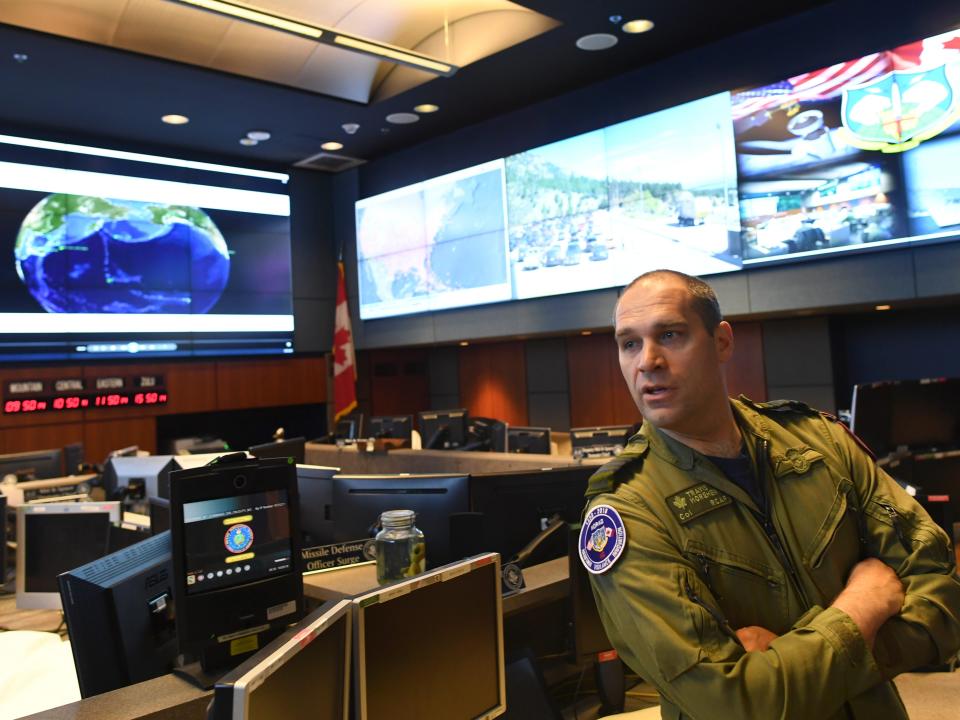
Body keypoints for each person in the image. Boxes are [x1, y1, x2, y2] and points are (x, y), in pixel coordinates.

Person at [581, 269, 960, 719]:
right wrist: (862, 607)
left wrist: (787, 663)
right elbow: (735, 704)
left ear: (721, 341)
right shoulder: (625, 511)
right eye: (629, 343)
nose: (648, 361)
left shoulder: (820, 443)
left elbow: (943, 592)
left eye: (670, 334)